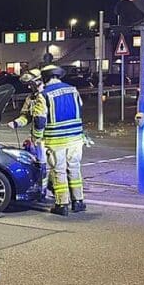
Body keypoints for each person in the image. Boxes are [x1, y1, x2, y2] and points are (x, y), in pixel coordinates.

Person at [38, 64, 86, 216]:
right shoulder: (73, 89)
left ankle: (62, 204)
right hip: (76, 137)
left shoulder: (44, 94)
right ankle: (78, 201)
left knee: (59, 171)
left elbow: (40, 120)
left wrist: (37, 137)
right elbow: (80, 108)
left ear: (45, 78)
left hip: (56, 140)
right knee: (74, 168)